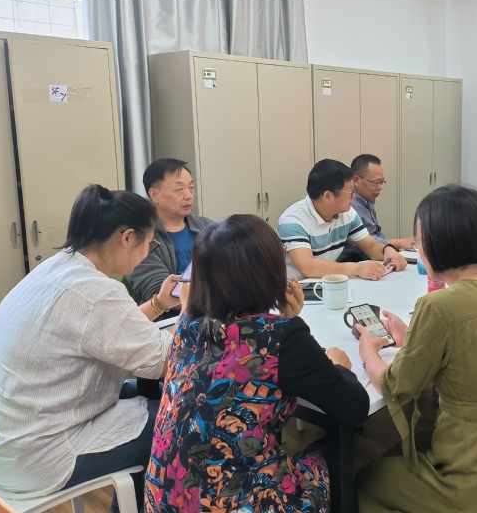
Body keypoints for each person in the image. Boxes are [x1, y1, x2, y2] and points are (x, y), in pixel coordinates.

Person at [144, 214, 369, 512]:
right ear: (268, 271)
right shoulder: (281, 337)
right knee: (327, 457)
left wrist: (287, 324)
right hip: (234, 502)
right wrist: (339, 366)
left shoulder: (186, 324)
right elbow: (354, 407)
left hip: (165, 498)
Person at [355, 184, 477, 512]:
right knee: (419, 442)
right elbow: (470, 350)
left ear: (435, 245)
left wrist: (368, 351)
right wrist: (414, 337)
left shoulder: (438, 306)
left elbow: (395, 387)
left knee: (366, 480)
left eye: (419, 242)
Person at [0, 185, 178, 508]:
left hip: (10, 444)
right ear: (127, 238)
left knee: (150, 396)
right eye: (149, 243)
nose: (148, 252)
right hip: (40, 457)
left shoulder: (59, 269)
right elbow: (166, 361)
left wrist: (159, 304)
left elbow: (106, 328)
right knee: (173, 422)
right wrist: (190, 312)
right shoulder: (97, 291)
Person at [277, 159, 408, 280]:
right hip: (295, 289)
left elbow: (371, 246)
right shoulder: (293, 221)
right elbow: (308, 267)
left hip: (327, 284)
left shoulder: (347, 214)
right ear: (328, 196)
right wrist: (357, 269)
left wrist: (387, 250)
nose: (354, 196)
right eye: (350, 192)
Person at [126, 158, 212, 304]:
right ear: (154, 195)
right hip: (171, 316)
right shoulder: (141, 238)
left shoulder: (206, 226)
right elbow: (161, 293)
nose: (189, 195)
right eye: (179, 189)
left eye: (191, 187)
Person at [338, 154, 414, 262]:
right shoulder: (349, 206)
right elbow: (364, 242)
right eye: (376, 182)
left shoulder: (368, 200)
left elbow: (375, 234)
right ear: (356, 180)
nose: (380, 187)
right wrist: (399, 243)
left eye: (382, 182)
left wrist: (390, 249)